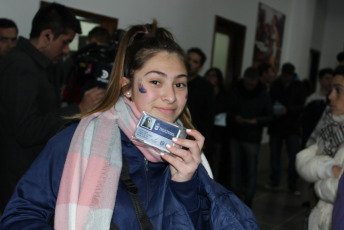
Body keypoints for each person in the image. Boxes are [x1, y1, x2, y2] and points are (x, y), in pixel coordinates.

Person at [0, 20, 259, 230]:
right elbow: (19, 216)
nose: (171, 96)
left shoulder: (189, 156)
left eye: (179, 83)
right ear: (127, 88)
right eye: (156, 82)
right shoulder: (73, 142)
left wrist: (186, 184)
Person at [0, 3, 105, 213]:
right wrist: (79, 108)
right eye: (64, 42)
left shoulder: (40, 65)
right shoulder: (21, 66)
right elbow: (26, 130)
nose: (66, 50)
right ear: (47, 35)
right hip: (14, 180)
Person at [296, 65, 344, 230]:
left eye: (338, 90)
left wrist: (319, 185)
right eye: (332, 89)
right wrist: (329, 168)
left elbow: (339, 191)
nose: (330, 96)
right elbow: (302, 159)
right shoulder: (331, 118)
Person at [227, 67, 273, 207]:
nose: (249, 87)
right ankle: (234, 195)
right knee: (235, 167)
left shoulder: (263, 94)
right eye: (247, 84)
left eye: (252, 85)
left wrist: (257, 121)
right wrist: (236, 118)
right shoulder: (236, 91)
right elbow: (227, 111)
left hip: (252, 138)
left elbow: (270, 117)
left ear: (257, 82)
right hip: (236, 135)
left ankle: (249, 198)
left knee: (251, 170)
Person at [265, 62, 306, 194]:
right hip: (277, 125)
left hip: (292, 127)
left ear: (292, 75)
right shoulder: (276, 85)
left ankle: (292, 184)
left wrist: (287, 110)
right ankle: (274, 181)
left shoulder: (298, 86)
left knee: (294, 156)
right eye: (283, 75)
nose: (285, 78)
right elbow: (269, 101)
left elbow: (301, 107)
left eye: (287, 75)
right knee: (275, 156)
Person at [186, 47, 216, 168]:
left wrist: (203, 140)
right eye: (189, 59)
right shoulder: (174, 80)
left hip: (195, 135)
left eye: (195, 61)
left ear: (200, 67)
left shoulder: (206, 87)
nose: (190, 63)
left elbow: (208, 116)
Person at [204, 67, 227, 181]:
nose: (210, 78)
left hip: (218, 133)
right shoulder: (202, 90)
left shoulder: (222, 93)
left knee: (215, 160)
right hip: (204, 130)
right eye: (208, 75)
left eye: (213, 76)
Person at [301, 68, 333, 147]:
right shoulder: (312, 99)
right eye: (327, 78)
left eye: (331, 79)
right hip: (311, 137)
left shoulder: (333, 100)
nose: (329, 81)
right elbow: (305, 121)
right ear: (320, 80)